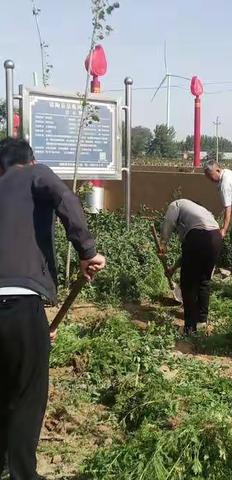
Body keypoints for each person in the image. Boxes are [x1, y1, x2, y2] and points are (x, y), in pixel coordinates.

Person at [0, 137, 106, 479]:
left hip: (19, 307)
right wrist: (87, 251)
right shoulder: (37, 174)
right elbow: (65, 198)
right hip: (22, 303)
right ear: (29, 161)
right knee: (27, 396)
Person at [159, 199, 222, 334]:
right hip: (216, 237)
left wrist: (163, 242)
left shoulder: (176, 204)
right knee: (204, 281)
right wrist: (173, 269)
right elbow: (188, 254)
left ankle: (189, 328)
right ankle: (201, 321)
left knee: (188, 284)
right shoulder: (200, 213)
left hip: (198, 237)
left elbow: (169, 222)